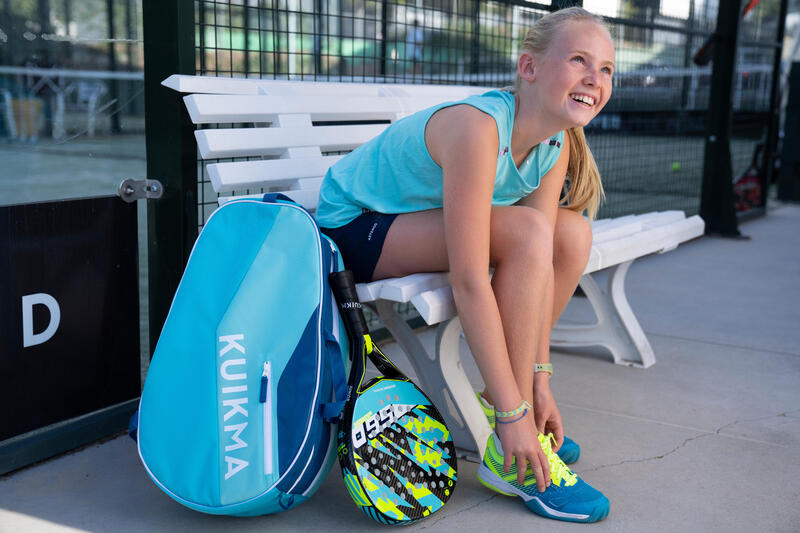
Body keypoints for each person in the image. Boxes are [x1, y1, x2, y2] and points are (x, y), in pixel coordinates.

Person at [316, 7, 614, 523]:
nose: (595, 77)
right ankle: (506, 443)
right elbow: (472, 280)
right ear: (529, 68)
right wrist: (513, 415)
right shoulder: (478, 129)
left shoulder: (555, 142)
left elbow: (539, 261)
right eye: (579, 60)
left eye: (607, 68)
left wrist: (539, 382)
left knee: (571, 233)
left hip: (414, 225)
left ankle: (508, 405)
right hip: (355, 228)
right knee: (527, 230)